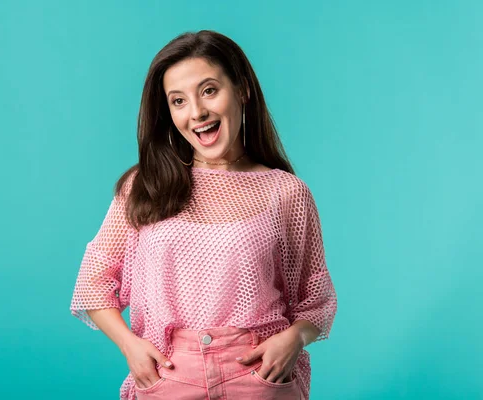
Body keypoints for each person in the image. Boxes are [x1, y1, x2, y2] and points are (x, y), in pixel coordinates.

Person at [70, 30, 337, 400]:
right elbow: (93, 281)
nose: (196, 112)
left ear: (242, 89)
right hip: (169, 376)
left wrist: (294, 339)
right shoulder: (144, 186)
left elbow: (316, 299)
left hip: (259, 377)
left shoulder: (286, 192)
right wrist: (130, 346)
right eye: (178, 101)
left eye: (209, 90)